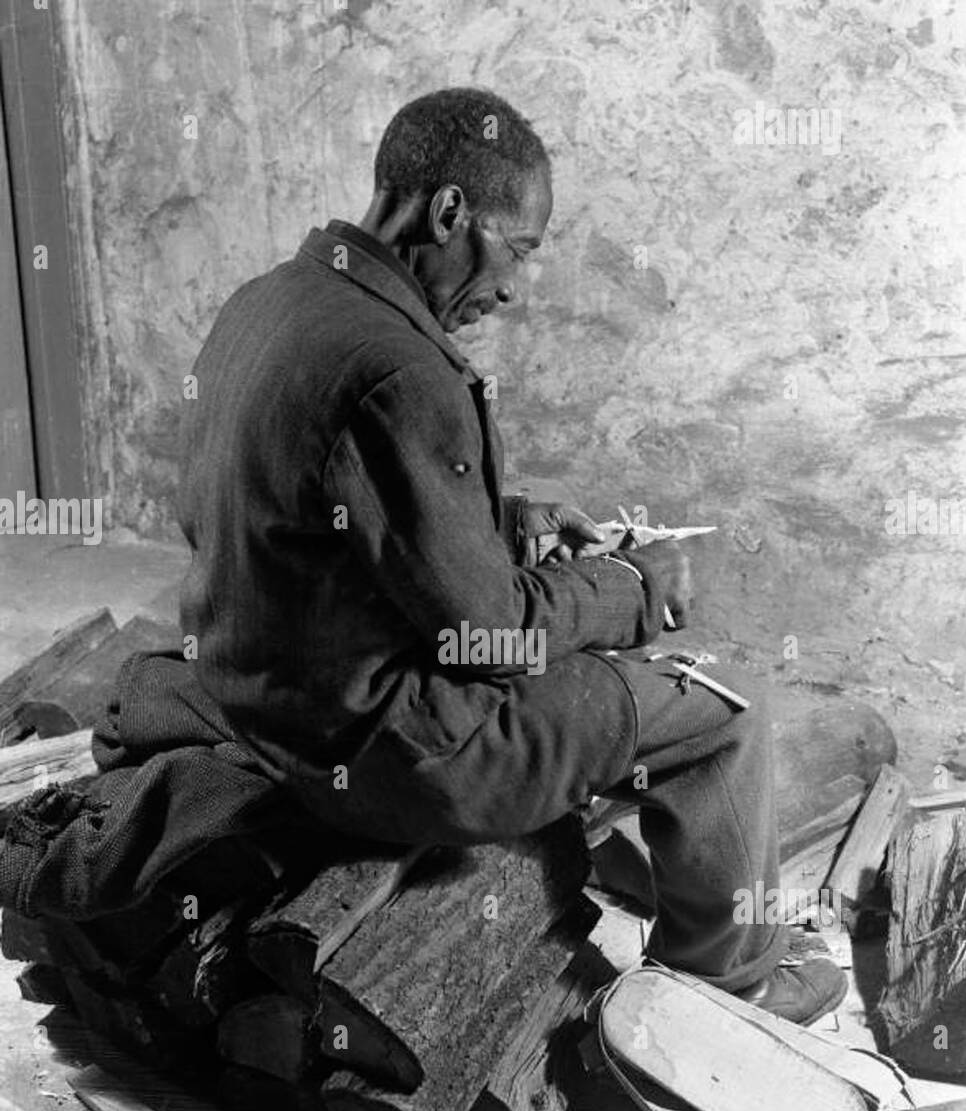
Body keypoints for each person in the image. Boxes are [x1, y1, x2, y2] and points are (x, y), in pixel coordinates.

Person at [178, 87, 845, 1025]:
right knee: (725, 709)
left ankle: (643, 860)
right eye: (517, 250)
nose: (510, 290)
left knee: (596, 653)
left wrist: (512, 520)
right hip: (392, 752)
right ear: (451, 212)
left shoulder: (269, 303)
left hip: (260, 705)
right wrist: (629, 586)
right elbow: (491, 638)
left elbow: (306, 504)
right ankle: (727, 992)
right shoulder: (401, 366)